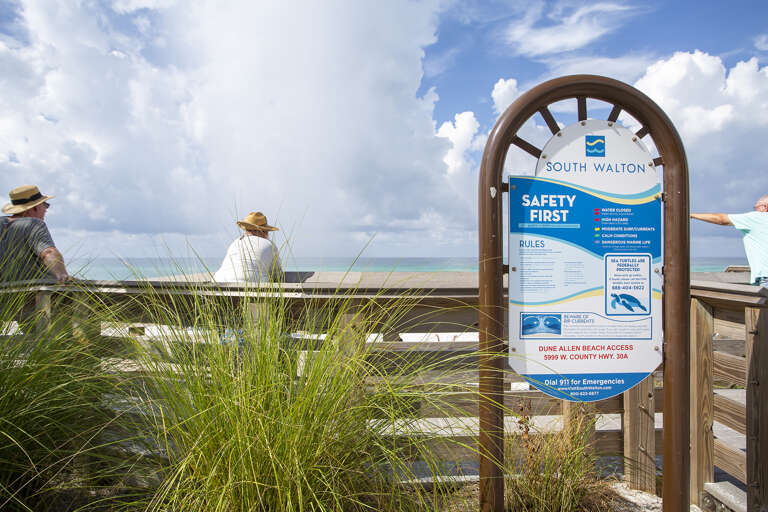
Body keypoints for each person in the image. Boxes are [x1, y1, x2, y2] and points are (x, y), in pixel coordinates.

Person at [691, 194, 768, 286]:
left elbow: (721, 219)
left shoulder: (758, 217)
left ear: (765, 207)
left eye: (756, 207)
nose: (755, 209)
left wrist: (692, 215)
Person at [1, 184, 71, 283]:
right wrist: (63, 276)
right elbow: (48, 253)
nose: (46, 209)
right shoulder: (34, 224)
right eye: (45, 204)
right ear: (35, 207)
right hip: (34, 293)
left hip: (5, 292)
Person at [213, 211, 283, 283]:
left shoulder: (235, 242)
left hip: (218, 283)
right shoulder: (269, 244)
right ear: (264, 231)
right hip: (252, 288)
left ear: (246, 230)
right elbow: (277, 274)